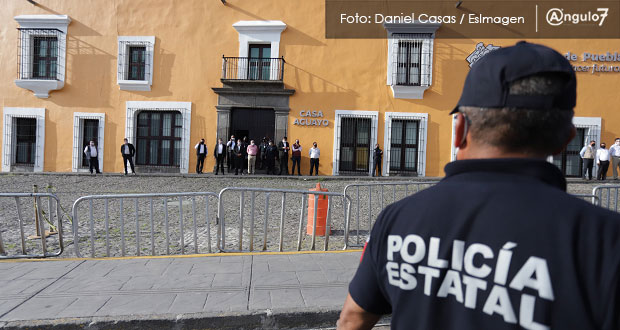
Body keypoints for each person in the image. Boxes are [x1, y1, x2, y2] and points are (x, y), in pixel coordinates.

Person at [338, 42, 620, 330]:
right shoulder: (606, 241)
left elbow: (353, 318)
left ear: (459, 129)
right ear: (566, 140)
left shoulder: (397, 218)